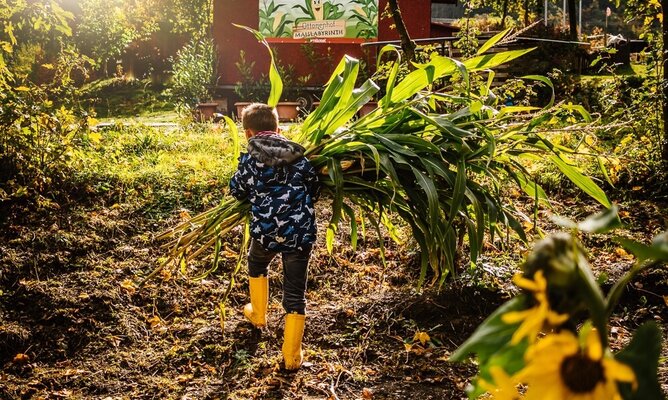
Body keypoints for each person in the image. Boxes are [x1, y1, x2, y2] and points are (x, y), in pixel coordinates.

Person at [229, 103, 319, 370]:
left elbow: (236, 191)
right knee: (295, 293)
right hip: (299, 235)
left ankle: (258, 315)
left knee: (256, 263)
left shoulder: (249, 162)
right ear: (279, 129)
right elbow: (315, 188)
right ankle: (292, 357)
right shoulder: (300, 157)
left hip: (267, 233)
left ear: (247, 134)